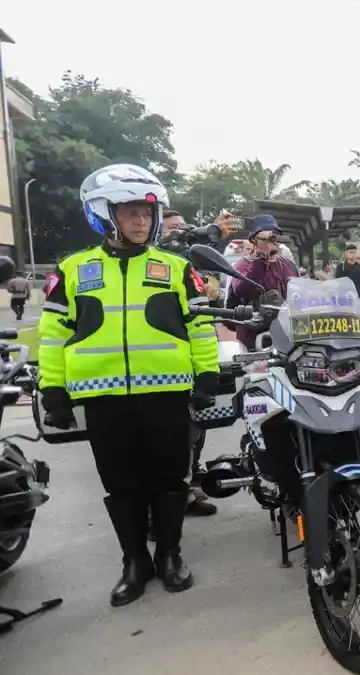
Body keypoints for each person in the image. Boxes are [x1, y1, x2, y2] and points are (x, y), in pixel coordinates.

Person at [37, 164, 219, 607]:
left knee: (170, 479)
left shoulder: (176, 268)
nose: (140, 221)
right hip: (103, 399)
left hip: (167, 393)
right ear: (104, 214)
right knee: (122, 483)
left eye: (146, 212)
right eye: (129, 212)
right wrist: (53, 390)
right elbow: (54, 333)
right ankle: (134, 561)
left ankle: (170, 555)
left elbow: (200, 327)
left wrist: (207, 374)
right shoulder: (74, 270)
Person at [231, 215, 297, 348]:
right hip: (253, 336)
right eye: (267, 237)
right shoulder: (243, 265)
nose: (272, 241)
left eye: (275, 236)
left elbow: (300, 292)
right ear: (254, 240)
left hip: (285, 333)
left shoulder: (288, 264)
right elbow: (242, 291)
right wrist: (261, 260)